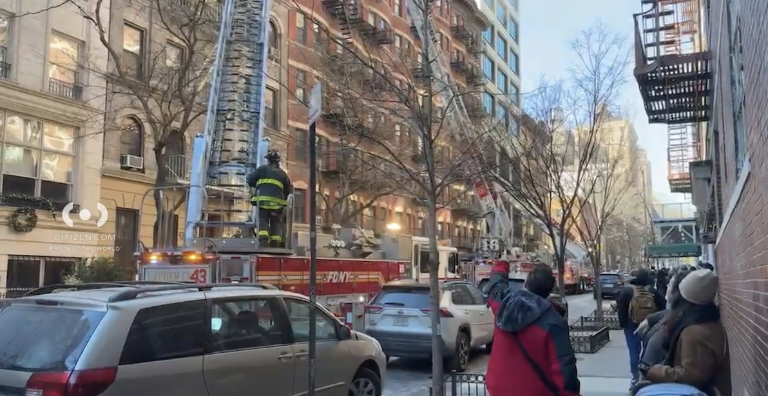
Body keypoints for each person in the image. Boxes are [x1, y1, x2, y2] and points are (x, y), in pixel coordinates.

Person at [485, 257, 580, 396]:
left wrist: (503, 263)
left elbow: (495, 287)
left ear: (526, 284)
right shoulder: (554, 323)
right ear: (549, 291)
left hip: (499, 389)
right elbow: (564, 371)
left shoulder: (505, 305)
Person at [634, 269, 731, 396]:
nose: (669, 287)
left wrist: (653, 370)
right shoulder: (707, 323)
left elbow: (691, 376)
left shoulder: (694, 332)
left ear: (683, 296)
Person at [616, 268, 667, 385]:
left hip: (631, 326)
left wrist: (623, 324)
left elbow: (621, 309)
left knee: (633, 352)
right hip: (649, 326)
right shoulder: (652, 291)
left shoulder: (627, 291)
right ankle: (645, 375)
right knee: (647, 351)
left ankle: (635, 377)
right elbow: (663, 307)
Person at [246, 149, 293, 247]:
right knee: (276, 222)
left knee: (263, 220)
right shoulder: (283, 174)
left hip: (263, 202)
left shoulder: (262, 169)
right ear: (278, 161)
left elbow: (250, 180)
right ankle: (275, 242)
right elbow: (288, 190)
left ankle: (263, 241)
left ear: (268, 160)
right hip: (277, 205)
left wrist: (258, 185)